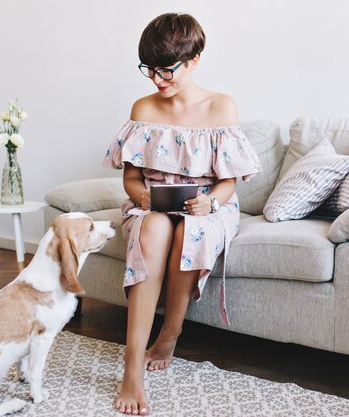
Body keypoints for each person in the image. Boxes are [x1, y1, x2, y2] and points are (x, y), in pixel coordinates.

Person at [103, 12, 261, 415]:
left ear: (193, 60)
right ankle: (132, 366)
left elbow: (229, 183)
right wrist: (141, 197)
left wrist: (210, 202)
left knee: (193, 231)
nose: (158, 80)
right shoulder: (144, 108)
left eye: (167, 71)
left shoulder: (222, 107)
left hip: (208, 206)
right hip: (151, 205)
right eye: (150, 70)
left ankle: (170, 333)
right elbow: (132, 178)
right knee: (154, 230)